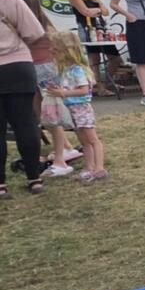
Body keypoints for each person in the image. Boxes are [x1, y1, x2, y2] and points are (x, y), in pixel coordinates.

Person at [13, 0, 70, 178]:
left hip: (43, 70)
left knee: (51, 116)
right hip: (40, 69)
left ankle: (61, 159)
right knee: (41, 115)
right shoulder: (42, 21)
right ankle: (62, 149)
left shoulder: (32, 23)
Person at [0, 0, 47, 197]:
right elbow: (35, 32)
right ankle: (34, 179)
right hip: (18, 65)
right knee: (25, 124)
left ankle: (1, 185)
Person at [45, 32, 106, 183]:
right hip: (73, 109)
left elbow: (84, 90)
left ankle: (99, 168)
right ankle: (89, 166)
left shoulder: (77, 70)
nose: (52, 51)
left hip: (81, 109)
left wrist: (63, 93)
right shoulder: (67, 70)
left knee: (92, 139)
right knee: (84, 140)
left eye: (55, 49)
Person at [68, 0, 116, 96]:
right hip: (86, 27)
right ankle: (100, 88)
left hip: (100, 27)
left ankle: (103, 83)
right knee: (94, 59)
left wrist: (95, 10)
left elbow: (106, 11)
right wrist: (97, 10)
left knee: (116, 59)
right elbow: (85, 12)